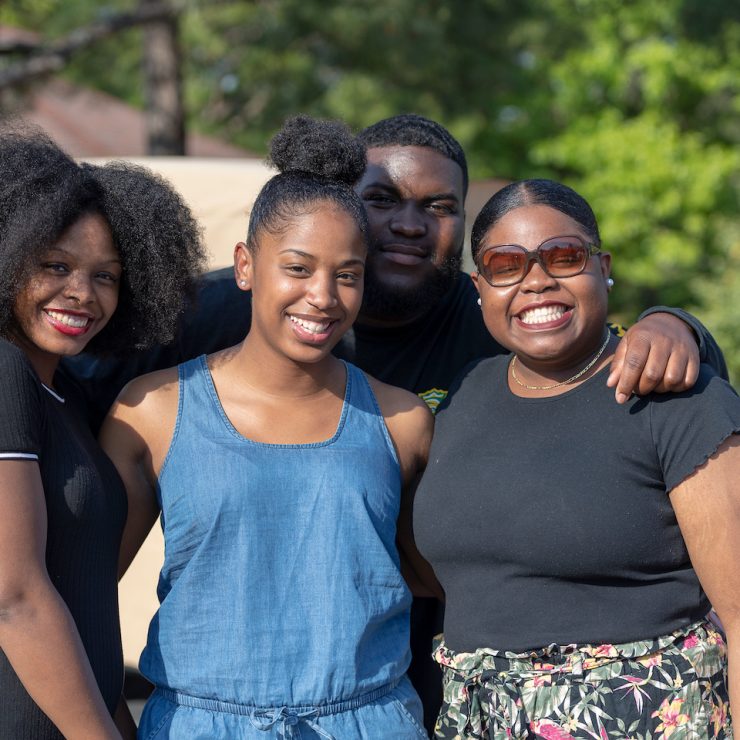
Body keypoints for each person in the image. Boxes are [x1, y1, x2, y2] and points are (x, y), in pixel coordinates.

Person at [64, 114, 728, 734]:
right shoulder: (211, 317)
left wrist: (680, 325)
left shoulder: (494, 332)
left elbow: (609, 361)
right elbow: (75, 379)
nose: (409, 223)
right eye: (382, 199)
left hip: (407, 701)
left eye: (438, 208)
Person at [100, 115, 434, 739]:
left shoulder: (403, 421)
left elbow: (445, 578)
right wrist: (105, 717)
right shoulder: (152, 412)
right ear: (246, 265)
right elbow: (82, 592)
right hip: (198, 725)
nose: (324, 296)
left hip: (371, 723)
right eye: (299, 267)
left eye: (349, 274)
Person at [412, 178, 739, 738]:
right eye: (506, 265)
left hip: (643, 719)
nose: (537, 281)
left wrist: (675, 321)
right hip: (477, 719)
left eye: (563, 257)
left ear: (601, 265)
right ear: (479, 287)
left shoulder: (675, 397)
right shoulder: (463, 395)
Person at [0, 126, 205, 739]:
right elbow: (14, 596)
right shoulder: (4, 369)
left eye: (107, 276)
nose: (82, 294)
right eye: (55, 266)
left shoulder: (67, 394)